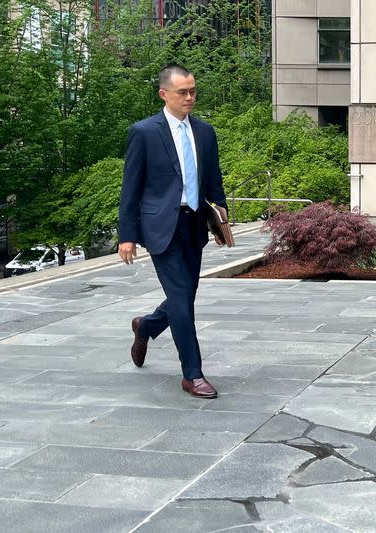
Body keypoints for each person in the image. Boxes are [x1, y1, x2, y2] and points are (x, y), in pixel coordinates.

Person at [118, 64, 228, 398]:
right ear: (164, 94)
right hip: (159, 227)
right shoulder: (144, 132)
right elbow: (130, 188)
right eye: (183, 92)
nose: (190, 97)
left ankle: (146, 326)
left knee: (184, 296)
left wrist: (222, 220)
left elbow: (213, 180)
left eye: (193, 91)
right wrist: (127, 235)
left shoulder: (205, 132)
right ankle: (192, 374)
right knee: (182, 300)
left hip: (194, 225)